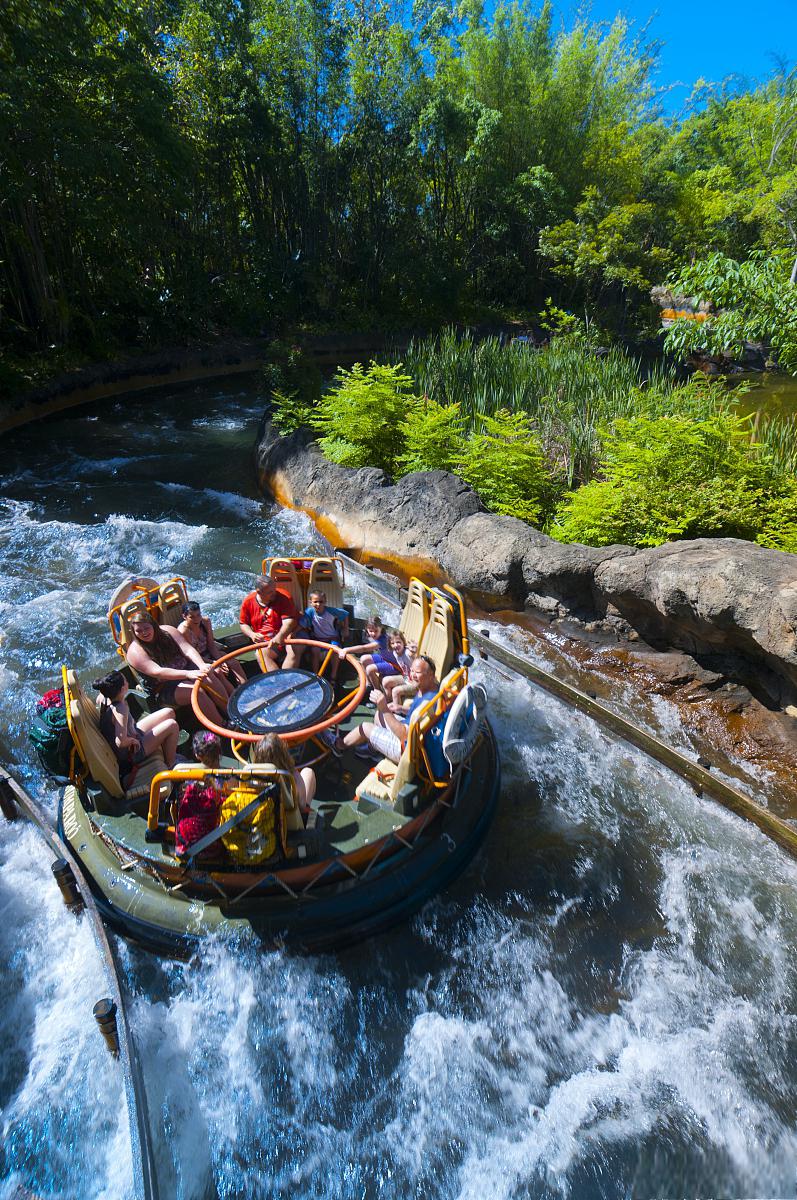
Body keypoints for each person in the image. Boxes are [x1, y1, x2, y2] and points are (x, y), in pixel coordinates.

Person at [125, 612, 228, 725]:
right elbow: (158, 671)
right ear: (133, 632)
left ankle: (229, 713)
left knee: (209, 677)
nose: (144, 633)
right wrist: (187, 674)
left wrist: (201, 665)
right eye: (138, 631)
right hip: (164, 687)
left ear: (153, 625)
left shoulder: (168, 631)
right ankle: (223, 725)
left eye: (146, 628)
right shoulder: (135, 652)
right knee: (196, 692)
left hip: (188, 670)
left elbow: (187, 649)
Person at [332, 655, 439, 764]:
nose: (412, 675)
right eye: (411, 671)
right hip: (414, 736)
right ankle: (374, 750)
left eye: (417, 672)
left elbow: (404, 735)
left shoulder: (426, 703)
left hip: (406, 750)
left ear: (430, 675)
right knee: (379, 715)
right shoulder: (433, 690)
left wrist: (384, 707)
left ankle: (339, 746)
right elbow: (416, 716)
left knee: (365, 728)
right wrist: (401, 708)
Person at [93, 669, 180, 787]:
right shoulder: (120, 710)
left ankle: (166, 749)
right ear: (122, 689)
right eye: (125, 680)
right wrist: (133, 741)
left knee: (169, 712)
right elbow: (120, 742)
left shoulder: (104, 698)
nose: (127, 681)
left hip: (133, 731)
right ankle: (171, 765)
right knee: (172, 725)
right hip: (132, 752)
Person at [174, 731, 224, 857]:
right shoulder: (231, 777)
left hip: (185, 843)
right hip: (214, 843)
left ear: (197, 755)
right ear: (219, 752)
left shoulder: (182, 772)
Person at [178, 600, 246, 688]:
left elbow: (211, 645)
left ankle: (244, 687)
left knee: (233, 662)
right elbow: (191, 655)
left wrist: (219, 660)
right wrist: (215, 663)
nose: (197, 619)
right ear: (184, 616)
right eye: (192, 617)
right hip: (196, 660)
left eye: (198, 615)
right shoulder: (183, 631)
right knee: (218, 671)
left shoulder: (205, 622)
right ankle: (231, 695)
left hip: (208, 652)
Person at [239, 574, 299, 671]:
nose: (274, 593)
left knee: (294, 650)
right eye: (270, 592)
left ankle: (287, 679)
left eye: (274, 589)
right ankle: (277, 682)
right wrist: (252, 634)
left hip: (287, 636)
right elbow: (243, 624)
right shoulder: (248, 602)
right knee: (260, 655)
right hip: (265, 641)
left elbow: (289, 622)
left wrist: (279, 637)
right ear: (259, 592)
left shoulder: (284, 597)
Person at [252, 732, 316, 823]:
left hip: (265, 818)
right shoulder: (291, 776)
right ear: (283, 752)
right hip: (290, 822)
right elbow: (301, 805)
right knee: (308, 772)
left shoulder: (253, 776)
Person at [300, 590, 349, 677]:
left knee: (335, 651)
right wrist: (293, 633)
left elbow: (345, 614)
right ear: (310, 602)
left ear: (325, 602)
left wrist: (346, 628)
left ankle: (333, 675)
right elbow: (302, 624)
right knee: (315, 650)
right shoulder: (310, 612)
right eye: (315, 602)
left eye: (321, 602)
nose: (318, 604)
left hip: (332, 637)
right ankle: (316, 674)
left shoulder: (331, 611)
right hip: (318, 639)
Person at [365, 629, 413, 695]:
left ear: (403, 643)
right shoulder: (395, 653)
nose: (395, 645)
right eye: (393, 643)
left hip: (412, 680)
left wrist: (413, 651)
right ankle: (385, 699)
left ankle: (387, 701)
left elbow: (412, 655)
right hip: (405, 677)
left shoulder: (407, 653)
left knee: (388, 683)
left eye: (398, 642)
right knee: (382, 677)